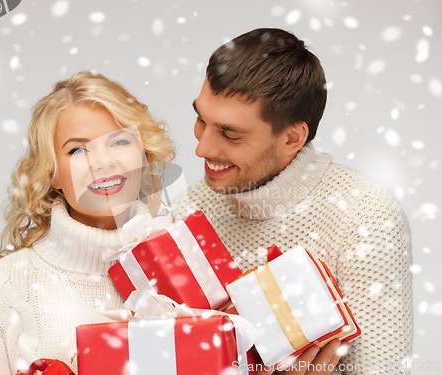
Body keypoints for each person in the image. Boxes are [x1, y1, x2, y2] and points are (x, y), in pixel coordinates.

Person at [172, 28, 413, 374]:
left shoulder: (364, 214)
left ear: (291, 138)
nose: (202, 149)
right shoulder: (189, 211)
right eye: (200, 120)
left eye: (230, 134)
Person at [0, 71, 175, 374]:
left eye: (119, 141)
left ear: (144, 155)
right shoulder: (8, 284)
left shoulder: (181, 258)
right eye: (77, 150)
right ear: (52, 174)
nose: (103, 162)